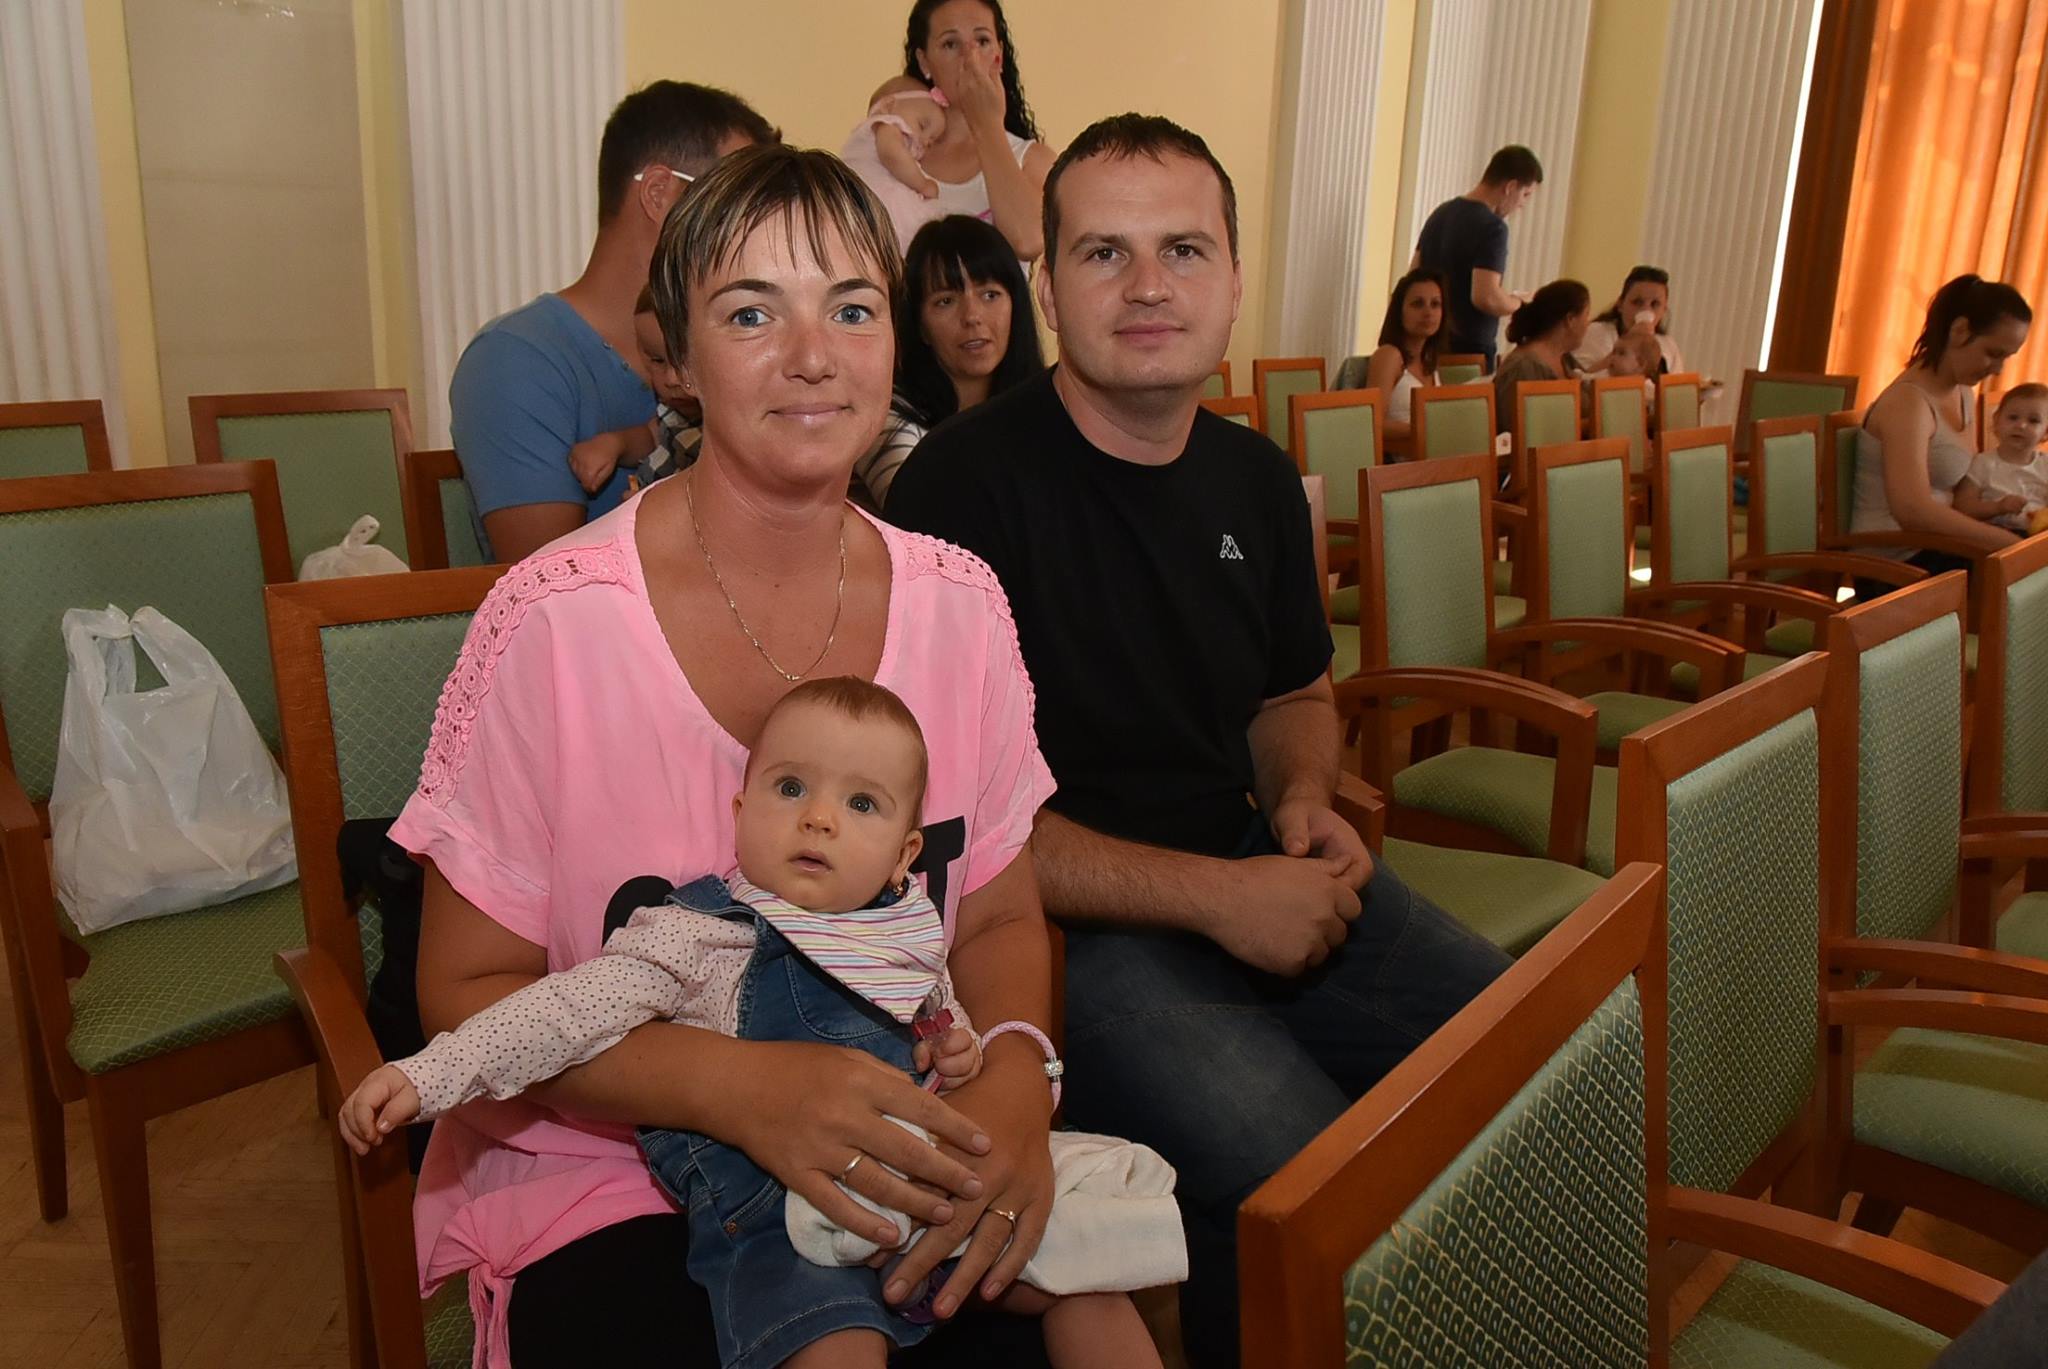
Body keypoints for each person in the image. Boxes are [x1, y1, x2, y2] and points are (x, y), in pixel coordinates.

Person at [390, 144, 1073, 1369]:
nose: (812, 356)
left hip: (901, 1133)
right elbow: (465, 986)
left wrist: (1018, 1080)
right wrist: (743, 1090)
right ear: (673, 361)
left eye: (850, 310)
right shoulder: (553, 623)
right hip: (608, 1166)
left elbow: (1000, 916)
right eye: (751, 313)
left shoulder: (960, 607)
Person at [887, 113, 1511, 1368]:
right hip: (1057, 937)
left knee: (1522, 1048)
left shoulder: (1253, 478)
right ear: (1049, 289)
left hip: (1247, 860)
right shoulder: (959, 491)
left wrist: (1301, 801)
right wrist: (1223, 899)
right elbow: (949, 832)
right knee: (1307, 1169)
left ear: (1231, 278)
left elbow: (1291, 695)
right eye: (1102, 253)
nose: (1147, 285)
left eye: (1182, 249)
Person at [347, 678, 1177, 1369]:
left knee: (1091, 1275)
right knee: (835, 1336)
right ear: (740, 811)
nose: (819, 818)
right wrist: (426, 1075)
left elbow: (937, 1020)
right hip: (783, 1214)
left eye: (861, 802)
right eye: (791, 788)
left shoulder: (906, 934)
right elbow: (562, 1012)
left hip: (917, 1190)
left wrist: (955, 1053)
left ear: (904, 855)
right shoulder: (698, 934)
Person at [448, 81, 777, 564]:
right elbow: (548, 584)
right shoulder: (513, 360)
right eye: (736, 203)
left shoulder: (743, 342)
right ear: (660, 193)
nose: (757, 227)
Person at [855, 215, 1045, 509]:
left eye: (990, 295)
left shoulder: (1048, 404)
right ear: (919, 325)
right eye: (945, 301)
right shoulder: (886, 417)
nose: (972, 316)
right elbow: (924, 518)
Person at [1851, 274, 2031, 574]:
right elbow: (1912, 510)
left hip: (1937, 546)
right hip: (1896, 561)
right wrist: (2009, 544)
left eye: (2006, 358)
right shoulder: (1908, 403)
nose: (1999, 369)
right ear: (1959, 331)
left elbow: (1962, 492)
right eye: (1993, 353)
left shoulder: (1962, 392)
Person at [865, 0, 1055, 262]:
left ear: (999, 56)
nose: (970, 57)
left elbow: (1029, 241)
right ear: (924, 62)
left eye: (982, 41)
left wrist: (986, 123)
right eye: (950, 44)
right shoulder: (895, 144)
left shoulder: (1033, 159)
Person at [1411, 144, 1543, 370]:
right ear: (1510, 187)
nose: (1522, 205)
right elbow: (1485, 297)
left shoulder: (1440, 213)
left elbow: (1414, 275)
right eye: (1525, 195)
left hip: (1428, 345)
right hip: (1468, 352)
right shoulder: (1493, 228)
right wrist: (1520, 302)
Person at [568, 286, 702, 495]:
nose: (671, 379)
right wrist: (616, 444)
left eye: (686, 361)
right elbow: (653, 435)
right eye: (657, 360)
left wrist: (657, 506)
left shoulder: (727, 428)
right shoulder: (674, 412)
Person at [841, 86, 955, 253]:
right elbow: (891, 154)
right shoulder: (886, 124)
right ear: (889, 105)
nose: (924, 140)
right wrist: (922, 184)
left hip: (863, 210)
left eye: (931, 141)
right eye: (922, 125)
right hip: (881, 205)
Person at [1489, 279, 1591, 434]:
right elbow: (1520, 433)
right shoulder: (1521, 368)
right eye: (1586, 315)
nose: (1588, 324)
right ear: (1570, 319)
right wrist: (1590, 425)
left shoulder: (1566, 360)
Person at [1363, 269, 1446, 448]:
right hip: (1399, 459)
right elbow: (1372, 423)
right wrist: (1425, 430)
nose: (1428, 312)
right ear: (1399, 311)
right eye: (1417, 304)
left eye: (1435, 304)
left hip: (1431, 453)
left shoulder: (1429, 360)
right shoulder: (1389, 355)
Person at [1960, 382, 2048, 532]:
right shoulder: (1983, 463)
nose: (2021, 425)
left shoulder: (2045, 464)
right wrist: (1998, 507)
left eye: (2033, 420)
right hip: (1997, 532)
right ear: (1996, 421)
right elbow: (1963, 507)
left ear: (2046, 432)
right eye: (2013, 417)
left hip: (2038, 534)